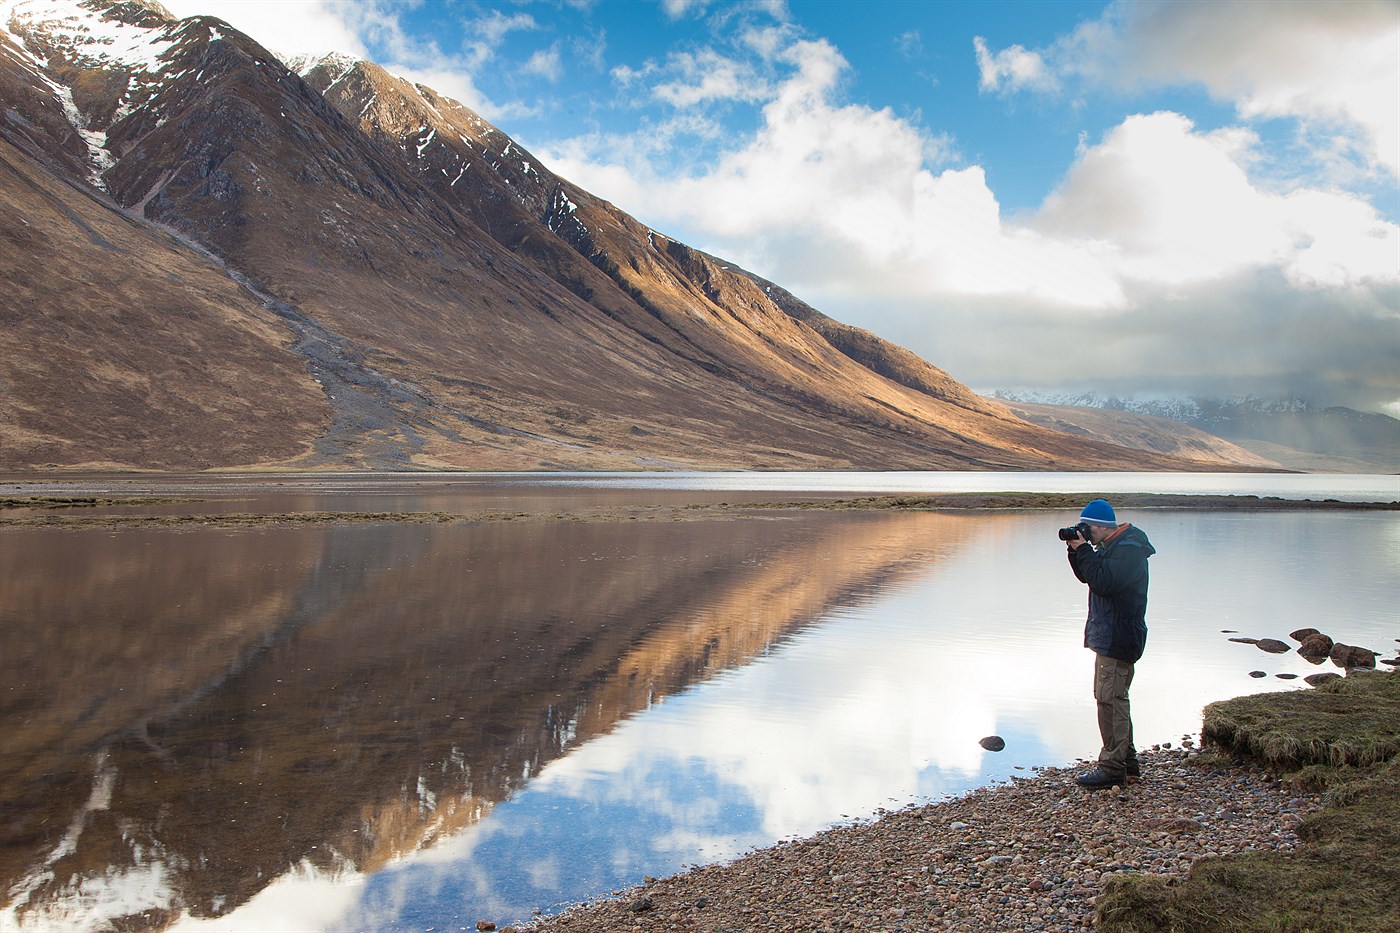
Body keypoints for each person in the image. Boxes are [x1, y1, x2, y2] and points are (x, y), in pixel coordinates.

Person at [1064, 499, 1155, 789]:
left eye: (1087, 529)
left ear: (1101, 526)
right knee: (1113, 699)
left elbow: (1103, 582)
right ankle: (1127, 763)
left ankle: (1112, 767)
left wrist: (1084, 550)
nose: (1085, 534)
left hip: (1118, 637)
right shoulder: (1113, 547)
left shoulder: (1128, 551)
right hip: (1113, 635)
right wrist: (1075, 550)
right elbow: (1087, 577)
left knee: (1110, 701)